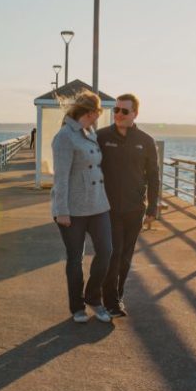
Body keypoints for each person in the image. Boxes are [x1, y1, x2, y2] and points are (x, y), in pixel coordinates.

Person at [50, 90, 114, 323]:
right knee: (75, 259)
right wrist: (62, 211)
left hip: (98, 204)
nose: (99, 116)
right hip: (73, 209)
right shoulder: (65, 137)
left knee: (106, 251)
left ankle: (93, 298)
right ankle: (77, 307)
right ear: (91, 112)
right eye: (98, 112)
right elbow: (61, 178)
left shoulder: (90, 133)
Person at [97, 92, 160, 317]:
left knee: (125, 256)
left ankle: (117, 296)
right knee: (113, 254)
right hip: (107, 208)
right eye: (116, 110)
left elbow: (153, 175)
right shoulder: (101, 137)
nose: (119, 115)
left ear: (135, 113)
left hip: (134, 209)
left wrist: (153, 208)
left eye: (124, 111)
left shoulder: (145, 141)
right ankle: (111, 301)